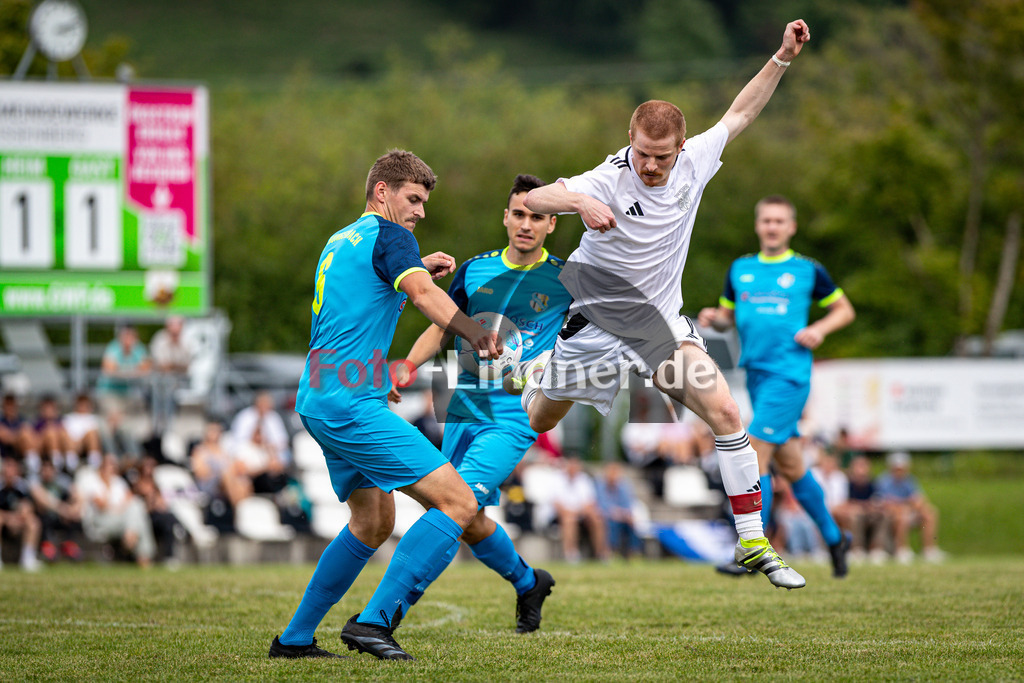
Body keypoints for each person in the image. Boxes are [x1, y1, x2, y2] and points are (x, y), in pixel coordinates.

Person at [508, 20, 813, 589]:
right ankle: (535, 378)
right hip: (595, 324)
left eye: (662, 158)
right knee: (538, 420)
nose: (651, 166)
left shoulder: (695, 161)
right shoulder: (608, 176)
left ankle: (752, 543)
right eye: (643, 154)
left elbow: (741, 114)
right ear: (631, 139)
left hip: (660, 328)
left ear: (680, 146)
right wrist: (577, 201)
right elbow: (535, 198)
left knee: (726, 414)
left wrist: (782, 58)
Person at [269, 149, 500, 661]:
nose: (419, 212)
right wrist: (472, 330)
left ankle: (294, 640)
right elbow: (417, 294)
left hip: (320, 398)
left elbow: (367, 298)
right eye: (413, 199)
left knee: (373, 522)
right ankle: (374, 624)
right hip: (351, 404)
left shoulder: (342, 238)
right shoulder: (394, 238)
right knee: (460, 503)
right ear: (383, 192)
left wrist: (418, 268)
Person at [386, 173, 571, 632]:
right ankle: (528, 582)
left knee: (457, 504)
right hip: (462, 407)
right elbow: (442, 323)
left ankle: (386, 612)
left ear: (552, 225)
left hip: (514, 412)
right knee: (463, 516)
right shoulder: (475, 269)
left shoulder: (569, 278)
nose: (526, 224)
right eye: (519, 214)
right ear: (505, 217)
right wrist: (408, 366)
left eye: (538, 217)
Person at [698, 194, 856, 578]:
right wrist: (713, 319)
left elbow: (844, 310)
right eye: (766, 220)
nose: (772, 227)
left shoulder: (808, 270)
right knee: (792, 465)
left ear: (791, 227)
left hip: (789, 376)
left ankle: (754, 548)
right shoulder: (740, 269)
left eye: (779, 221)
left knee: (754, 453)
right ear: (757, 225)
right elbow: (726, 319)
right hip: (756, 374)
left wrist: (818, 329)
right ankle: (836, 539)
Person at [78, 453, 156, 568]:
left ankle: (130, 536)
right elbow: (101, 506)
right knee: (137, 515)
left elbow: (130, 499)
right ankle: (143, 557)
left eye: (114, 466)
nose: (112, 468)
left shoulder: (118, 482)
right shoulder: (92, 481)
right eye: (109, 465)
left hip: (120, 518)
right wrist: (119, 506)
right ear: (102, 466)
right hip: (100, 520)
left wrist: (119, 507)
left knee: (137, 507)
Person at [874, 451, 945, 564]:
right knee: (902, 514)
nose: (900, 471)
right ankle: (902, 550)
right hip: (891, 515)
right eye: (897, 468)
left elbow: (918, 498)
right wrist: (906, 504)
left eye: (902, 468)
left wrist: (918, 506)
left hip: (908, 510)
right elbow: (885, 503)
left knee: (930, 513)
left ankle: (929, 550)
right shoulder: (883, 480)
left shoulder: (909, 480)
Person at [550, 456, 610, 563]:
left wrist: (581, 512)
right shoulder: (557, 478)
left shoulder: (584, 479)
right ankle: (571, 554)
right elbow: (557, 505)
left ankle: (601, 553)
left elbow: (590, 502)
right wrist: (574, 512)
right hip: (561, 516)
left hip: (581, 514)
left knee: (597, 518)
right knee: (569, 519)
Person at [149, 315, 195, 433]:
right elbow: (161, 365)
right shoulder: (160, 339)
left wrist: (171, 366)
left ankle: (167, 423)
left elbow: (187, 366)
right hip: (160, 383)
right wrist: (175, 366)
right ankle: (163, 422)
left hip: (180, 382)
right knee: (164, 384)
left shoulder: (187, 340)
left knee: (171, 385)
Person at [96, 325, 152, 418]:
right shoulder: (113, 348)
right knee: (114, 414)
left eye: (131, 336)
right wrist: (133, 371)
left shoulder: (139, 348)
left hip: (129, 392)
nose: (128, 339)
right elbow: (108, 369)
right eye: (126, 336)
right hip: (110, 391)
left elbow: (146, 368)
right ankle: (115, 432)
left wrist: (121, 370)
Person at [0, 456, 42, 571]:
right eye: (7, 467)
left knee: (33, 522)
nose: (9, 472)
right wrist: (8, 518)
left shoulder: (23, 486)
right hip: (5, 521)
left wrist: (18, 517)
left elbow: (27, 507)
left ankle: (28, 559)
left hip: (18, 521)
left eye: (12, 468)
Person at [595, 461, 642, 559]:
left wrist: (623, 514)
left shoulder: (624, 486)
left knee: (632, 523)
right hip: (608, 516)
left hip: (622, 516)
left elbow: (628, 504)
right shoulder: (600, 485)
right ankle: (612, 551)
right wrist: (616, 513)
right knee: (612, 523)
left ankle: (634, 552)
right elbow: (602, 505)